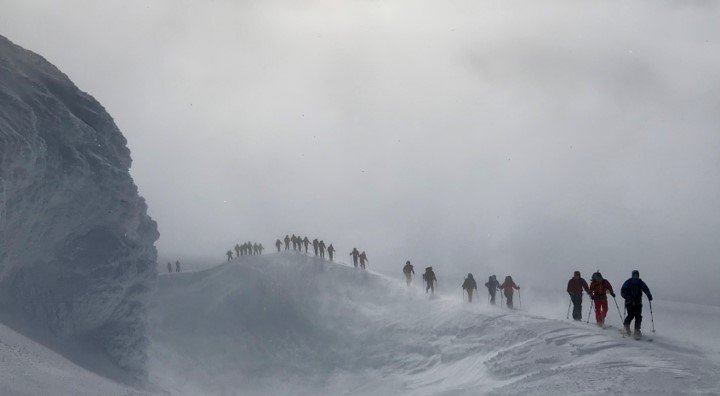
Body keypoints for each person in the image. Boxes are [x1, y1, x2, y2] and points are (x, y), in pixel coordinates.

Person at [621, 270, 653, 338]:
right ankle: (627, 325)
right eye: (634, 275)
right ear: (632, 275)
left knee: (638, 316)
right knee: (631, 315)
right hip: (629, 302)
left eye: (637, 275)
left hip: (638, 302)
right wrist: (627, 297)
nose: (636, 277)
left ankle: (636, 330)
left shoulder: (640, 282)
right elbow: (623, 291)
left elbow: (646, 289)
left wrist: (649, 295)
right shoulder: (628, 282)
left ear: (638, 275)